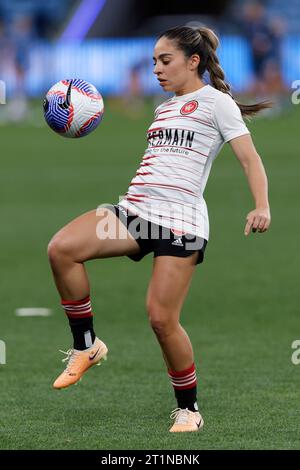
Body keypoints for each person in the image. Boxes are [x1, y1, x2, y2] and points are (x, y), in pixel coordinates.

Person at [48, 25, 271, 433]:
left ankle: (189, 409)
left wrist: (261, 206)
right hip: (135, 210)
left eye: (164, 61)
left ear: (193, 61)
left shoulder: (218, 104)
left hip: (181, 221)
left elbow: (250, 160)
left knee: (161, 319)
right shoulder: (163, 107)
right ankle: (87, 346)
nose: (156, 69)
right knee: (62, 248)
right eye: (153, 61)